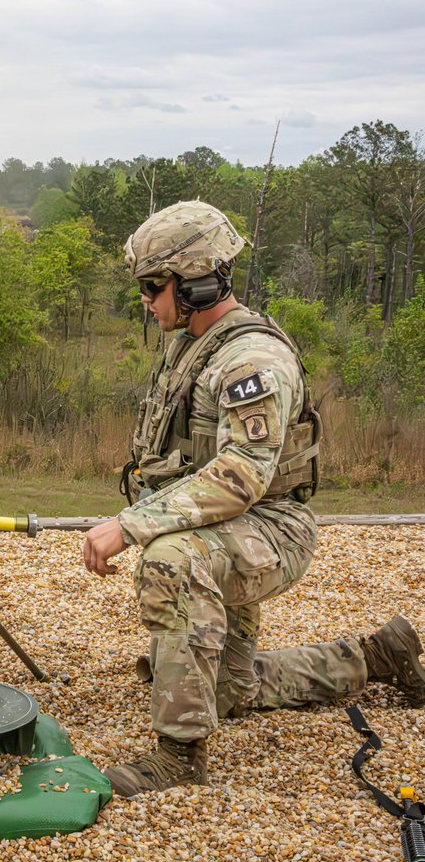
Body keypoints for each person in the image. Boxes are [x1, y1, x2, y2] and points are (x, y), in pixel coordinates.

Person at [81, 201, 425, 796]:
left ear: (195, 282)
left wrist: (131, 525)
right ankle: (376, 656)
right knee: (229, 691)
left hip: (271, 524)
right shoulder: (193, 341)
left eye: (151, 286)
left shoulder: (251, 361)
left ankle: (178, 761)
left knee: (171, 562)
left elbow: (242, 475)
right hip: (228, 524)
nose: (144, 299)